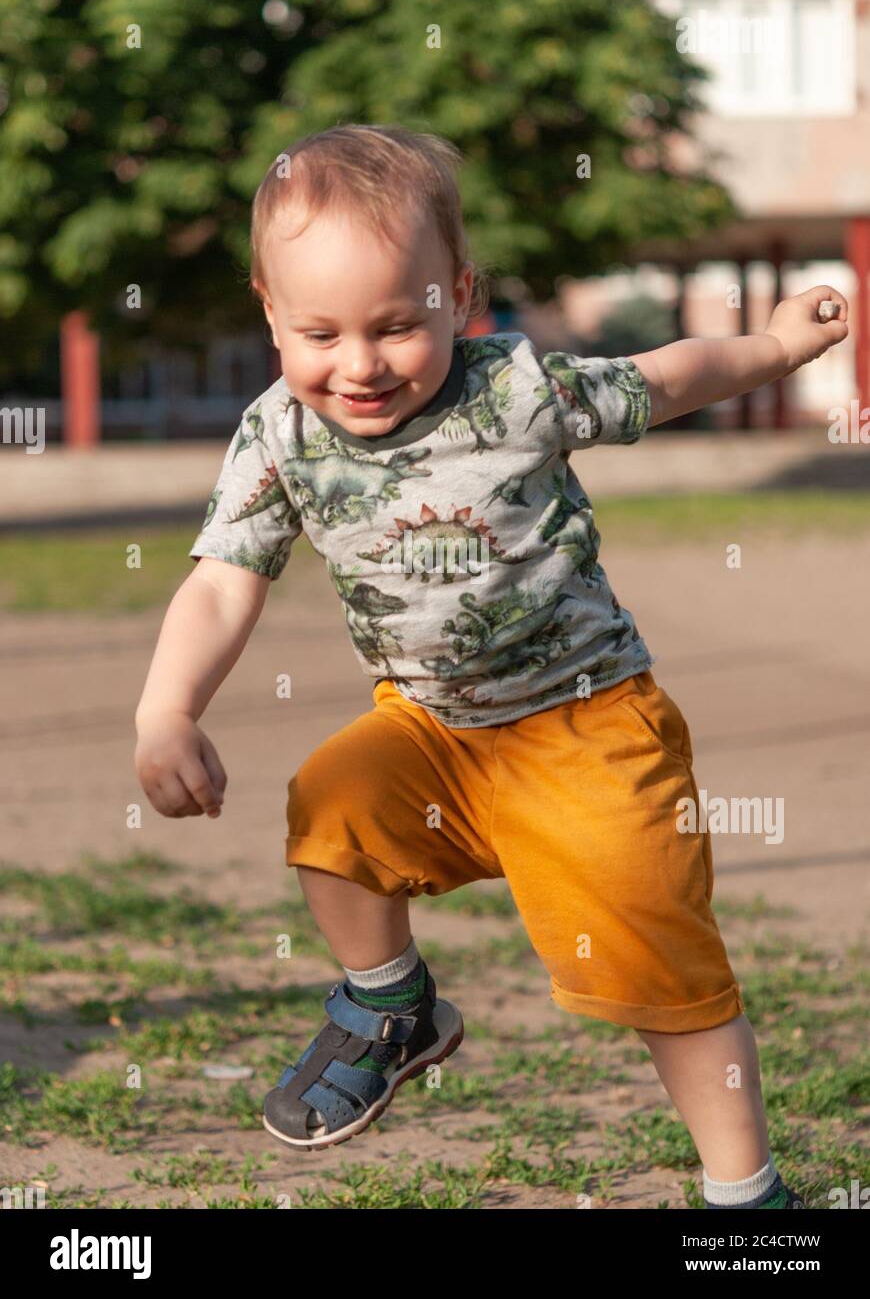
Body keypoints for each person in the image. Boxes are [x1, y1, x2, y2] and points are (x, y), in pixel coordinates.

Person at [134, 123, 847, 1208]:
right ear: (268, 310)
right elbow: (226, 577)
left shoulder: (515, 391)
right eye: (318, 331)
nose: (359, 362)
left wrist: (777, 349)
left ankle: (747, 1196)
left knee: (665, 973)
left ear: (457, 296)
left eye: (394, 324)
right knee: (333, 806)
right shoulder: (277, 434)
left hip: (587, 724)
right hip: (428, 727)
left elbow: (661, 377)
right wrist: (167, 709)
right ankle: (391, 1003)